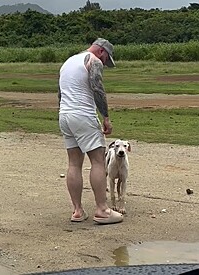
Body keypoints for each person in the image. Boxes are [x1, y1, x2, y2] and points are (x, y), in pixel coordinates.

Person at [58, 38, 123, 224]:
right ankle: (102, 209)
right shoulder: (92, 60)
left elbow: (60, 93)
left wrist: (64, 114)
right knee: (98, 161)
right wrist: (106, 117)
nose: (104, 63)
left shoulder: (68, 62)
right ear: (101, 51)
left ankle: (77, 211)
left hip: (65, 114)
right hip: (83, 115)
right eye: (106, 59)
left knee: (74, 163)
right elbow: (97, 88)